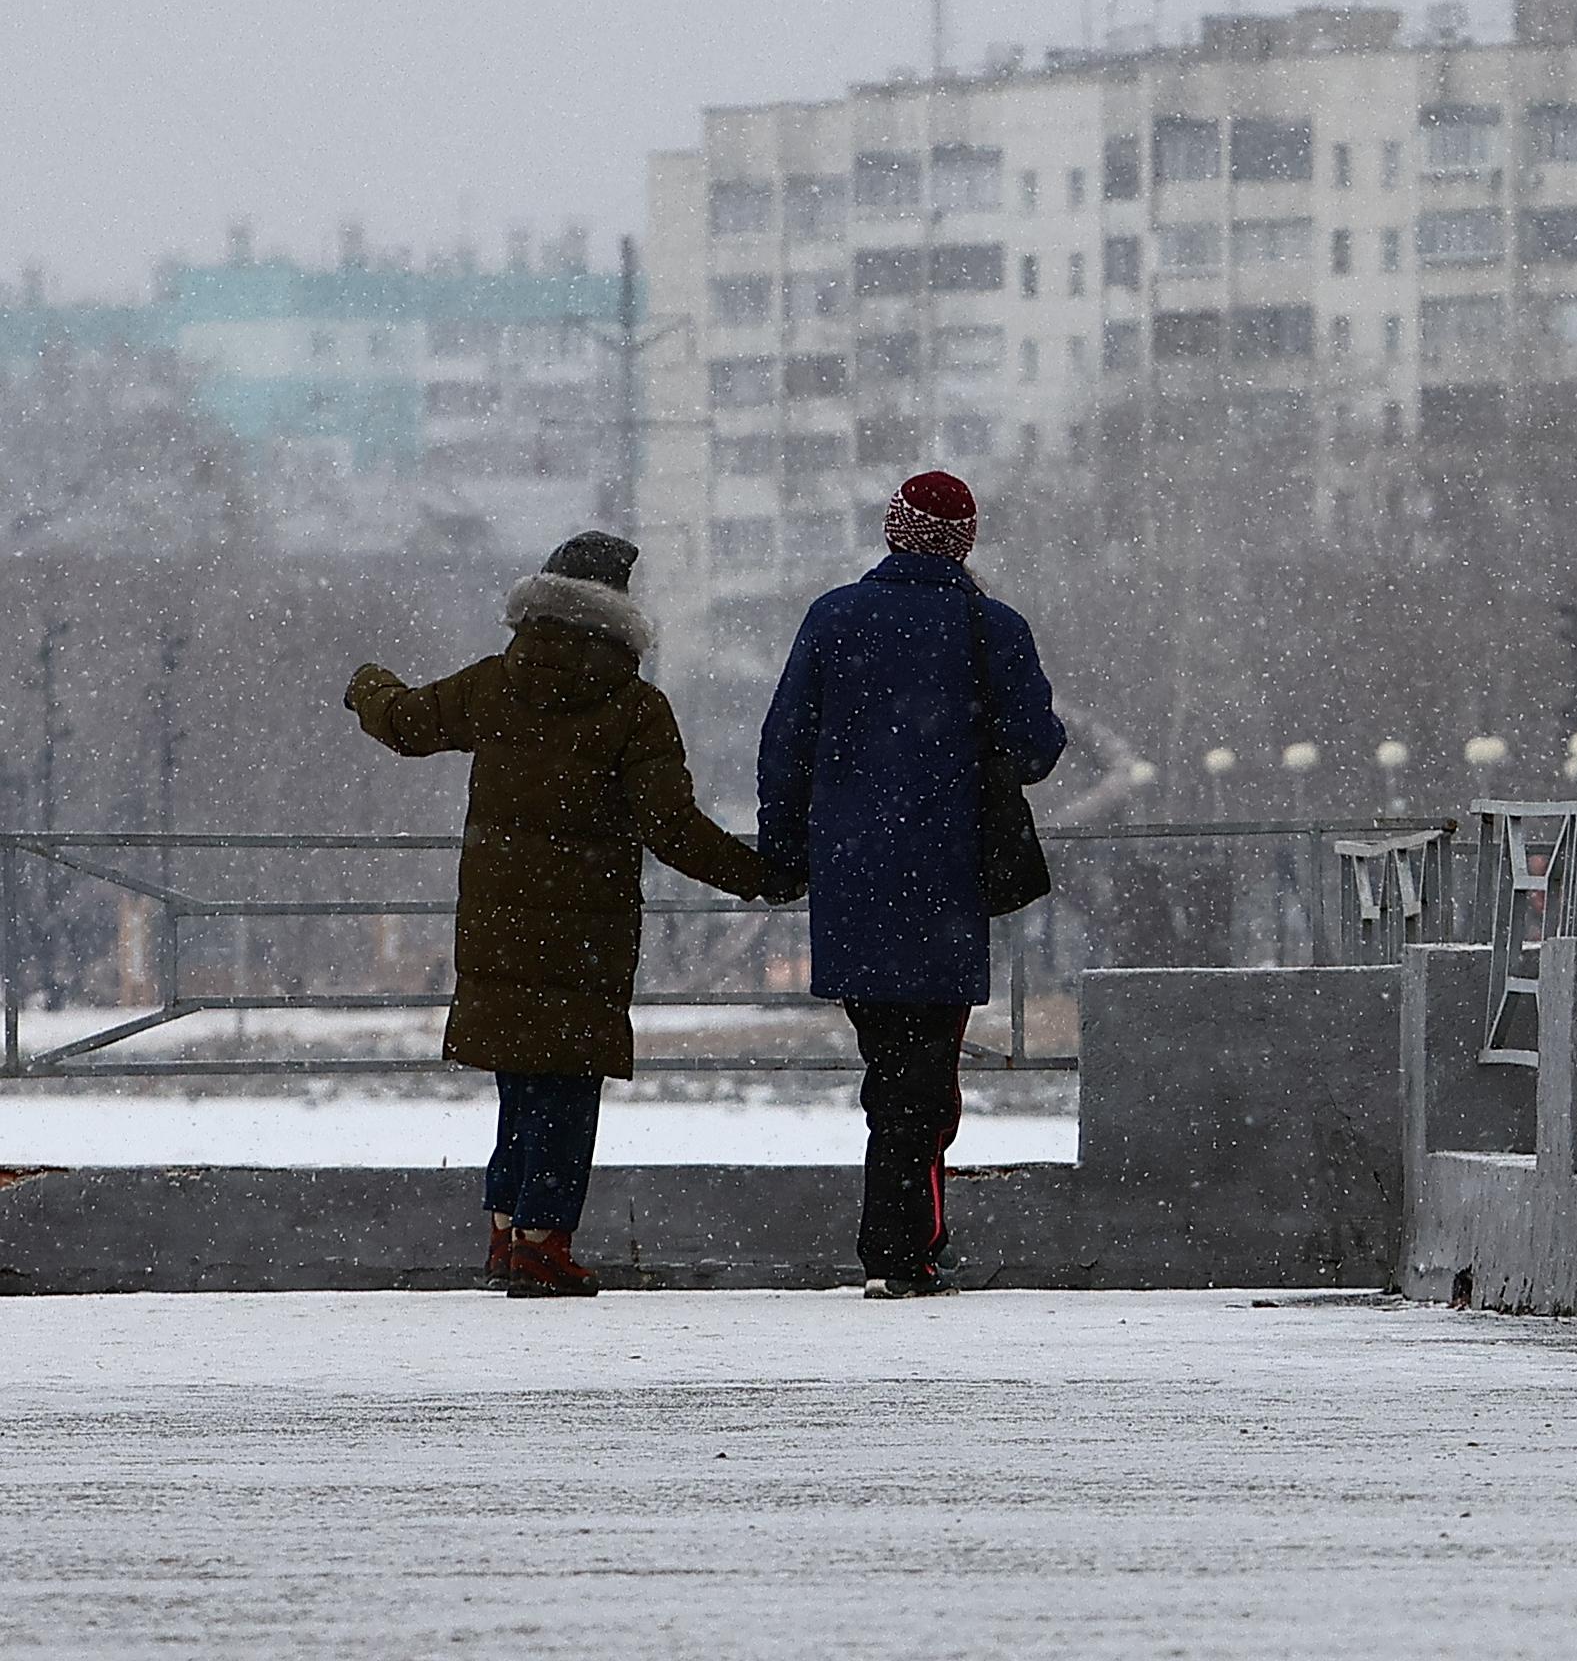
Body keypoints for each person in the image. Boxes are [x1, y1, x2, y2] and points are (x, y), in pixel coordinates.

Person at [346, 530, 798, 1299]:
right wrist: (758, 874)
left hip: (496, 922)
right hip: (584, 929)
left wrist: (370, 686)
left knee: (521, 1083)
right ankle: (544, 1244)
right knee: (566, 1086)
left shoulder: (496, 683)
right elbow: (672, 828)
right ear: (620, 611)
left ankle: (507, 1232)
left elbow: (409, 725)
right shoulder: (634, 708)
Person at [756, 470, 1065, 1297]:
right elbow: (1037, 750)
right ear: (965, 543)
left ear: (892, 531)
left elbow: (784, 743)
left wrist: (785, 851)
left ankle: (901, 1243)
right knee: (922, 1077)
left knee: (892, 1067)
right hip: (947, 882)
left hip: (853, 882)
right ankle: (902, 1250)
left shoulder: (834, 617)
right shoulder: (992, 628)